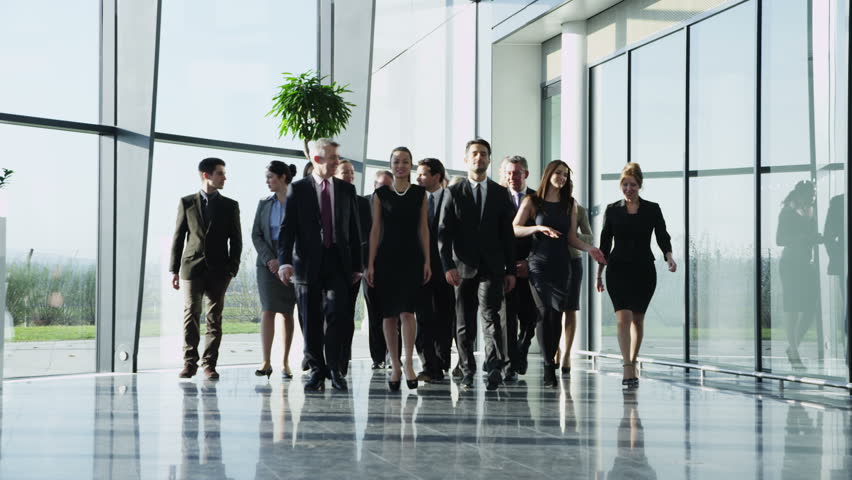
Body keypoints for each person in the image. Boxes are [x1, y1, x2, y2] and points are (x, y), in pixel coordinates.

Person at [277, 139, 363, 392]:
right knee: (311, 318)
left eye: (337, 156)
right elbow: (287, 229)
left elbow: (354, 230)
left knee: (338, 315)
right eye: (333, 157)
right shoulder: (298, 189)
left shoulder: (346, 190)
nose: (338, 161)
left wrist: (357, 265)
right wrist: (284, 262)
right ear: (317, 160)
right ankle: (317, 369)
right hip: (306, 264)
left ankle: (336, 369)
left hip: (338, 262)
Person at [513, 160, 605, 387]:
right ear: (548, 174)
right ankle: (547, 367)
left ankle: (551, 359)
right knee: (544, 313)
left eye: (565, 175)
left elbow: (572, 238)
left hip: (562, 266)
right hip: (539, 266)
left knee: (556, 315)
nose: (562, 177)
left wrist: (591, 249)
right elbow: (515, 228)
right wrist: (537, 227)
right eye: (558, 173)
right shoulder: (532, 201)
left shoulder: (570, 204)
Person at [438, 138, 516, 391]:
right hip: (461, 268)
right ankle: (467, 368)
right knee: (463, 322)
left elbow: (507, 235)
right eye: (474, 154)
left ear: (489, 159)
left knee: (491, 316)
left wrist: (511, 270)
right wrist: (447, 265)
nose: (479, 158)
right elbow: (444, 233)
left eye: (483, 154)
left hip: (492, 267)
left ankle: (493, 366)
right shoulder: (453, 192)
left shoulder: (499, 193)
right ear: (466, 159)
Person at [596, 162, 676, 388]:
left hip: (643, 270)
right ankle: (627, 366)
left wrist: (668, 256)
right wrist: (599, 274)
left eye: (632, 184)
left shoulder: (652, 209)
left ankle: (633, 359)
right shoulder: (612, 210)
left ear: (639, 185)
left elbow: (662, 235)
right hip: (617, 269)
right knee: (623, 318)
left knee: (638, 319)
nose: (628, 188)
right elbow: (604, 242)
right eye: (624, 184)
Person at [170, 157, 242, 380]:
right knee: (191, 313)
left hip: (220, 270)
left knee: (214, 317)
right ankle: (189, 363)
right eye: (220, 173)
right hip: (191, 267)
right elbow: (179, 237)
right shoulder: (187, 202)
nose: (224, 177)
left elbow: (236, 241)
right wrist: (174, 270)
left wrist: (232, 269)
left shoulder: (230, 205)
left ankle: (209, 364)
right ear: (206, 175)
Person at [366, 147, 431, 391]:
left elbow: (423, 229)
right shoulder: (380, 194)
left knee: (407, 312)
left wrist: (427, 260)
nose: (400, 165)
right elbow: (375, 231)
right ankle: (394, 364)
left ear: (411, 165)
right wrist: (370, 263)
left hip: (412, 258)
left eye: (405, 161)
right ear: (391, 165)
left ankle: (409, 363)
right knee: (389, 314)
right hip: (386, 259)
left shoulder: (419, 194)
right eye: (396, 161)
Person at [251, 161, 298, 379]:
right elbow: (256, 235)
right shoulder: (264, 203)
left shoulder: (297, 202)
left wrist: (285, 260)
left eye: (270, 177)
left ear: (282, 178)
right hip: (267, 266)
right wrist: (270, 259)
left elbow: (302, 234)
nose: (267, 181)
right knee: (268, 309)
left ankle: (286, 361)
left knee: (288, 312)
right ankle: (266, 360)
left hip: (291, 264)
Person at [414, 157, 456, 382]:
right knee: (422, 318)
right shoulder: (413, 199)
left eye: (422, 174)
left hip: (445, 268)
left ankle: (442, 361)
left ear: (436, 176)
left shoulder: (452, 197)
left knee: (444, 317)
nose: (418, 178)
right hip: (419, 268)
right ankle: (429, 365)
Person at [500, 155, 539, 381]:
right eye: (509, 173)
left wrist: (529, 262)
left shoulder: (537, 199)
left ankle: (522, 349)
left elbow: (543, 235)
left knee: (531, 316)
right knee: (508, 316)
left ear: (526, 174)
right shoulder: (498, 198)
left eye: (517, 172)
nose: (512, 177)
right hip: (505, 268)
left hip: (531, 268)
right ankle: (511, 363)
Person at [776, 180, 821, 370]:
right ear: (800, 195)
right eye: (810, 196)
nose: (812, 200)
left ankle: (793, 347)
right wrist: (805, 238)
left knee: (810, 306)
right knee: (792, 306)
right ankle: (793, 349)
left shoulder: (806, 211)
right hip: (791, 263)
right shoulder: (787, 212)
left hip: (804, 263)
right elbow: (780, 239)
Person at [334, 159, 369, 377]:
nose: (349, 175)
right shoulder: (326, 201)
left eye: (351, 172)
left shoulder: (361, 203)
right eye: (344, 172)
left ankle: (342, 359)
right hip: (328, 266)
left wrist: (359, 266)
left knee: (346, 315)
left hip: (352, 269)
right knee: (329, 314)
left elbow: (364, 236)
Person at [559, 201, 593, 375]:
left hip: (573, 261)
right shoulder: (546, 205)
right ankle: (555, 349)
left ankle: (566, 354)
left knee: (570, 308)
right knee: (552, 310)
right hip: (551, 261)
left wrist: (573, 235)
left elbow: (590, 237)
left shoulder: (579, 210)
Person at [365, 170, 394, 369]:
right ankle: (378, 358)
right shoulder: (364, 204)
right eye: (381, 186)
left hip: (393, 266)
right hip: (369, 266)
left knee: (394, 313)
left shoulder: (396, 205)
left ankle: (393, 355)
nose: (385, 190)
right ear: (374, 186)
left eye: (388, 187)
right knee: (375, 314)